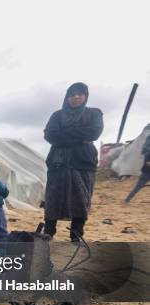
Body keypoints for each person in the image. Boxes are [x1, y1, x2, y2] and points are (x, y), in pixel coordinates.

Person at [43, 82, 103, 241]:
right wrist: (80, 137)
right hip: (58, 162)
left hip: (83, 162)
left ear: (85, 96)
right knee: (53, 197)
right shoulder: (57, 115)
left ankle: (76, 234)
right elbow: (49, 135)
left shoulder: (94, 114)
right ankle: (49, 232)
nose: (76, 97)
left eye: (80, 94)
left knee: (81, 198)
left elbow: (94, 132)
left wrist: (63, 135)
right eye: (72, 94)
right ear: (67, 97)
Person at [125, 134, 150, 202]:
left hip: (146, 171)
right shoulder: (148, 152)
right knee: (138, 187)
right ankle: (127, 199)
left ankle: (127, 199)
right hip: (147, 172)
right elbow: (147, 160)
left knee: (137, 187)